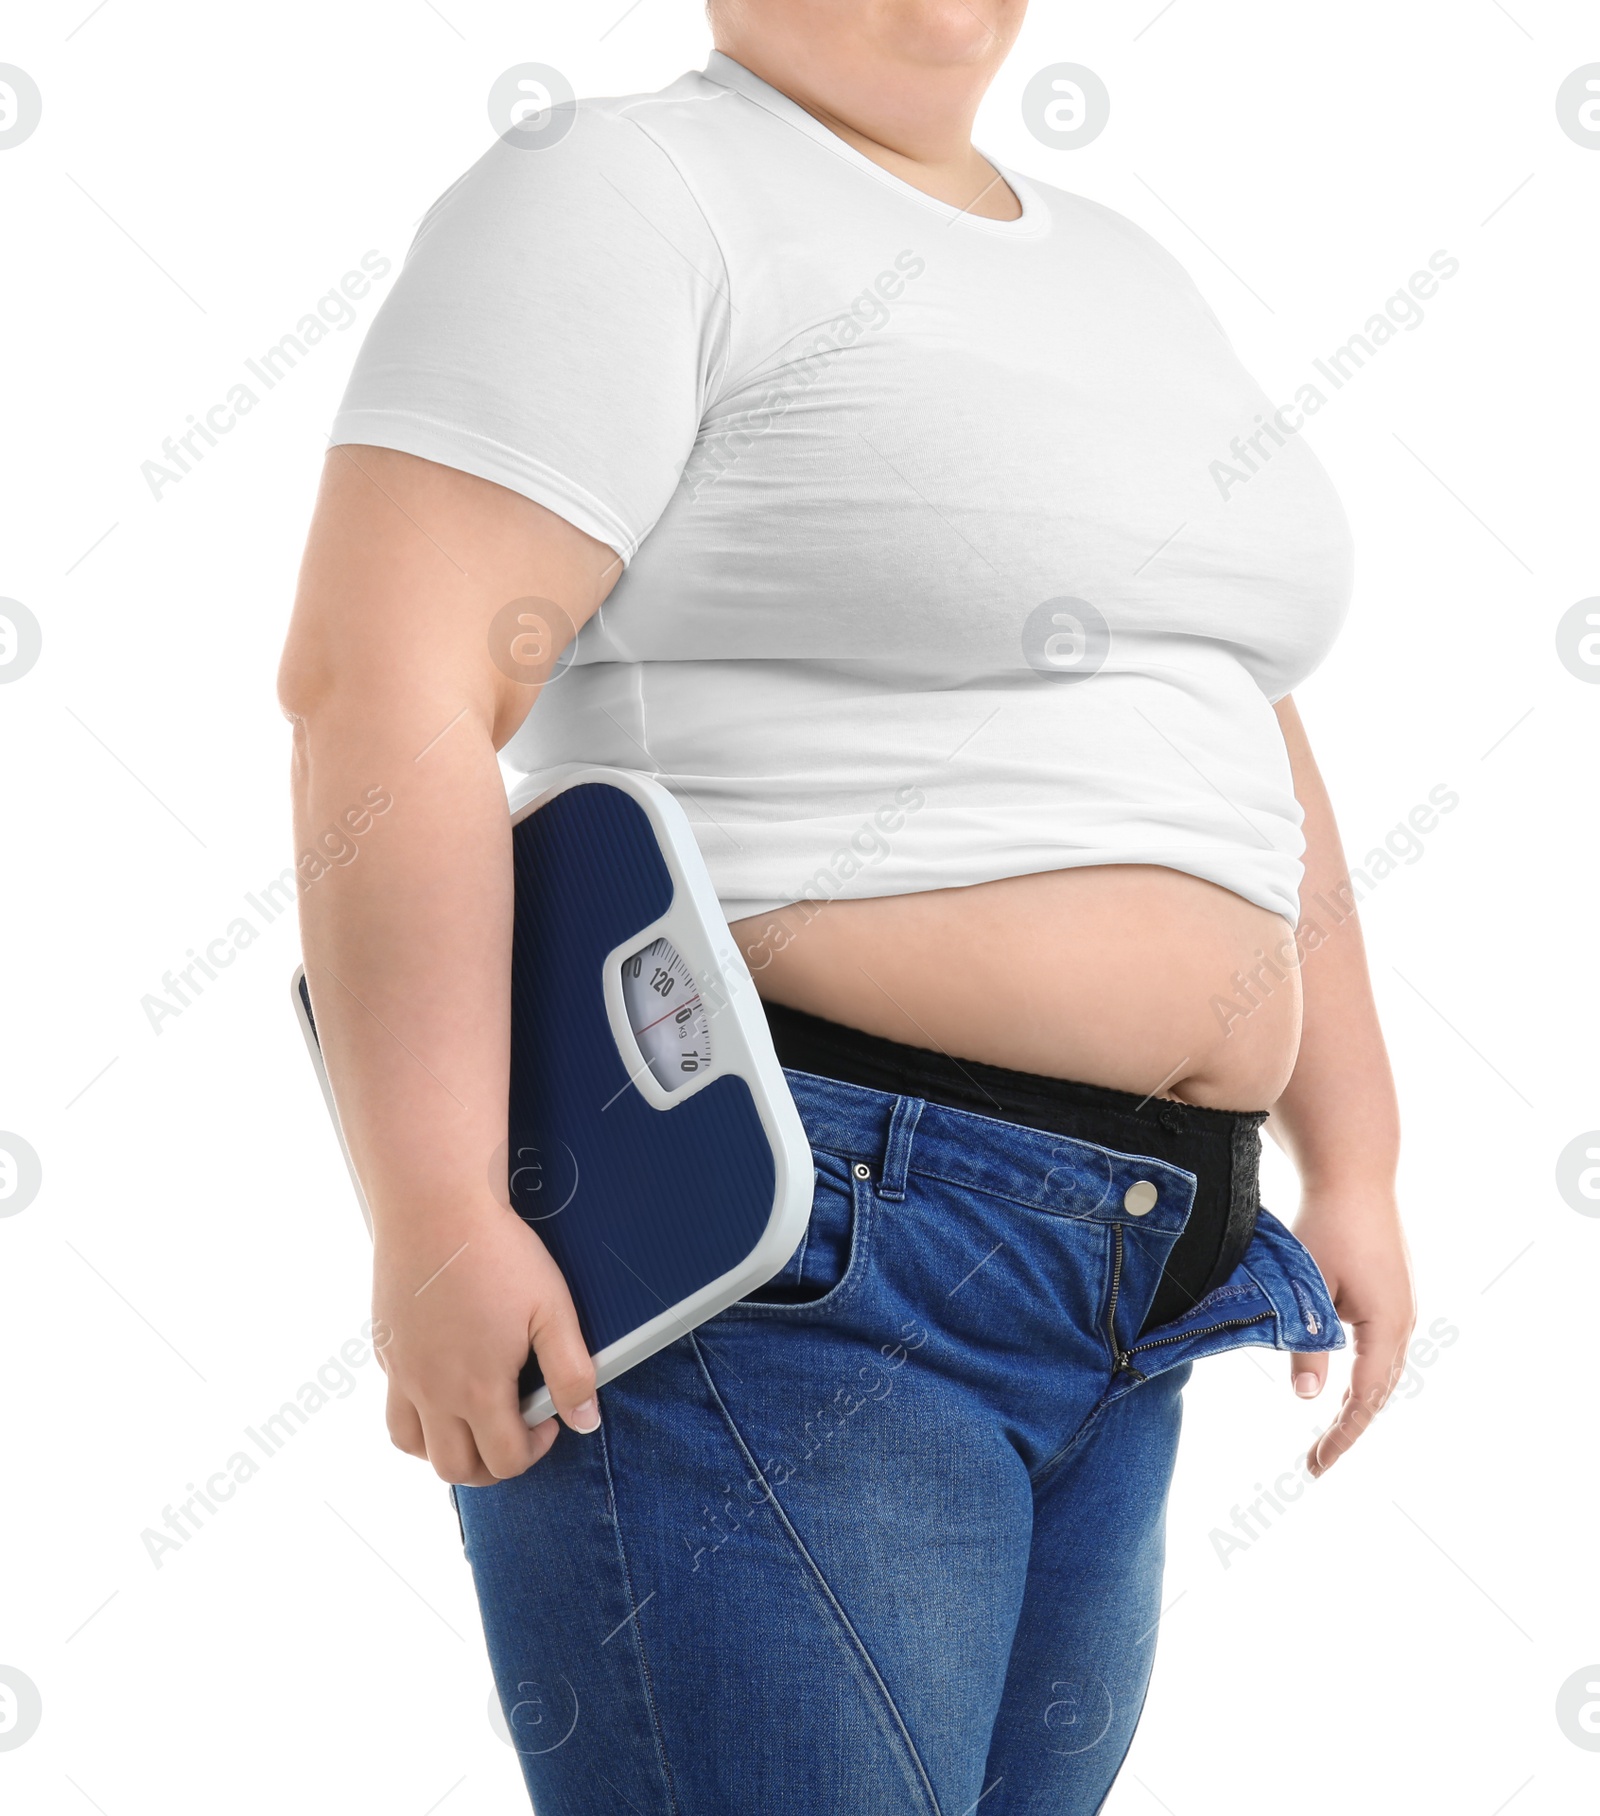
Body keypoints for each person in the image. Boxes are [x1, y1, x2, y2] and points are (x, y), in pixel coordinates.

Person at [277, 3, 1416, 1809]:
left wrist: (1350, 1155)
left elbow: (1230, 719)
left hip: (1147, 1267)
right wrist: (433, 1204)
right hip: (796, 1244)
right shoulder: (623, 192)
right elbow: (385, 678)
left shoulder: (1126, 273)